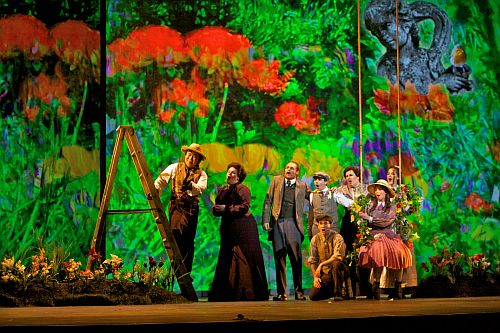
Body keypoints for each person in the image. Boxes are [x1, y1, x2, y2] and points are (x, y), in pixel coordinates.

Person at [209, 162, 269, 302]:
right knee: (227, 258)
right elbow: (218, 206)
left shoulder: (243, 188)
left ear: (239, 176)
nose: (230, 174)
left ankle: (245, 293)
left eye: (233, 173)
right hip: (228, 228)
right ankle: (227, 293)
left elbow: (244, 207)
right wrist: (218, 209)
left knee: (242, 257)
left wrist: (226, 209)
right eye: (228, 172)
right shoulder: (223, 190)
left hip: (243, 228)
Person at [154, 143, 208, 278]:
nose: (191, 158)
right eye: (189, 155)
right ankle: (175, 268)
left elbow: (200, 188)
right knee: (175, 236)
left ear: (198, 160)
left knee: (188, 241)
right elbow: (161, 179)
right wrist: (156, 188)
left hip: (191, 211)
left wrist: (191, 185)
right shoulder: (174, 167)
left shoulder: (202, 174)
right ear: (185, 155)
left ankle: (186, 272)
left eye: (195, 157)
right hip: (176, 208)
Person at [262, 161, 310, 301]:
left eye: (292, 168)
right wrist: (266, 220)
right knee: (279, 258)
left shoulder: (302, 186)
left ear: (297, 172)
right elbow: (268, 201)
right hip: (278, 222)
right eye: (287, 167)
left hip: (293, 223)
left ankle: (298, 292)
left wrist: (327, 192)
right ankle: (281, 293)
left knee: (296, 259)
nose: (288, 169)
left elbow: (313, 197)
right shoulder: (277, 181)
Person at [358, 179, 413, 300]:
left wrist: (369, 218)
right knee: (378, 251)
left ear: (386, 192)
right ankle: (376, 286)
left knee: (399, 253)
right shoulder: (370, 206)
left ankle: (398, 286)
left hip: (389, 235)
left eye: (380, 189)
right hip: (375, 235)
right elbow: (363, 221)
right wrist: (363, 218)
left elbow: (386, 222)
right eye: (376, 189)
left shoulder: (392, 206)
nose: (378, 191)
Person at [336, 165, 370, 297]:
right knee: (349, 255)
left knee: (364, 255)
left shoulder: (367, 189)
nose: (348, 178)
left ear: (357, 176)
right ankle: (351, 290)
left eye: (350, 175)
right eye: (346, 176)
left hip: (362, 224)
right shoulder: (342, 189)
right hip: (348, 224)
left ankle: (366, 288)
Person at [386, 165, 418, 297]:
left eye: (393, 173)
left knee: (404, 255)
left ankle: (404, 286)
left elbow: (407, 210)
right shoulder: (384, 191)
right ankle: (390, 287)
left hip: (400, 226)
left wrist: (410, 204)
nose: (390, 175)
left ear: (397, 177)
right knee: (390, 257)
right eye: (388, 173)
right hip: (388, 226)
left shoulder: (402, 192)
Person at [308, 215, 352, 301]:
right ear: (318, 226)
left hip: (340, 270)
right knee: (313, 296)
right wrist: (315, 277)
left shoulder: (337, 237)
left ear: (330, 225)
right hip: (327, 272)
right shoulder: (315, 239)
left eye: (326, 223)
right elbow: (313, 260)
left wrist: (321, 264)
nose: (323, 226)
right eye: (321, 223)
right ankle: (335, 290)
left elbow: (337, 257)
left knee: (335, 264)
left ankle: (338, 293)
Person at [308, 171, 353, 241]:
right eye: (315, 180)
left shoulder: (334, 193)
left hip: (332, 230)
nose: (316, 182)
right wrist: (310, 230)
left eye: (319, 180)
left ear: (325, 182)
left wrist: (359, 202)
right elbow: (311, 215)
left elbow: (349, 203)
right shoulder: (312, 195)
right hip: (317, 230)